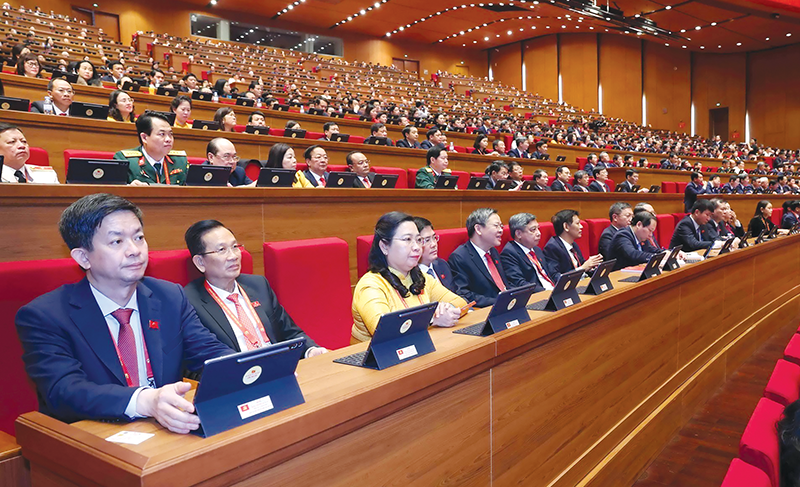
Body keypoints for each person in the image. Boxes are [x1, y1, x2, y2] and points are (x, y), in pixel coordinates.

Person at [15, 193, 234, 432]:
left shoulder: (169, 296)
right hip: (93, 436)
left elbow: (208, 351)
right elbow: (64, 391)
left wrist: (246, 368)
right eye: (117, 241)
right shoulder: (45, 316)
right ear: (83, 257)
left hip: (166, 431)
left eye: (139, 237)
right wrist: (145, 401)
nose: (134, 250)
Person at [183, 220, 325, 356]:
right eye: (222, 250)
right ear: (200, 262)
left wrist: (310, 350)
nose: (233, 256)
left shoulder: (258, 285)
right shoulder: (189, 302)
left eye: (235, 247)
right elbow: (200, 356)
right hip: (240, 371)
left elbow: (290, 333)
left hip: (279, 366)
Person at [351, 212, 466, 343]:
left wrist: (445, 309)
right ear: (384, 246)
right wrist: (431, 319)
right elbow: (385, 332)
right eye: (407, 240)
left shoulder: (420, 277)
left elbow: (460, 302)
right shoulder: (371, 285)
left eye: (418, 240)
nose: (417, 247)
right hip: (377, 354)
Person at [448, 208, 509, 308]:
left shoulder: (493, 251)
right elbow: (464, 294)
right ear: (478, 229)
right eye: (496, 226)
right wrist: (498, 302)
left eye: (501, 226)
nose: (501, 230)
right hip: (485, 310)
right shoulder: (460, 257)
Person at [113, 112, 189, 186]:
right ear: (144, 138)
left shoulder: (180, 161)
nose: (168, 139)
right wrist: (129, 188)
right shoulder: (125, 161)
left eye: (170, 134)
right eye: (162, 134)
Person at [501, 212, 558, 291]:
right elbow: (519, 283)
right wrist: (546, 292)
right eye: (533, 230)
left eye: (538, 228)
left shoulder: (536, 249)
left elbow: (551, 273)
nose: (539, 233)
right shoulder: (509, 253)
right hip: (538, 295)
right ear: (518, 234)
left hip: (553, 290)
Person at [543, 209, 603, 276]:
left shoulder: (573, 244)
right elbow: (555, 276)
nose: (581, 226)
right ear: (566, 227)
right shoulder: (552, 247)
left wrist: (592, 265)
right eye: (577, 223)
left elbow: (582, 265)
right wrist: (583, 268)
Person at [413, 216, 457, 293]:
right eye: (427, 240)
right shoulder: (410, 275)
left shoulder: (442, 265)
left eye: (434, 238)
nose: (434, 244)